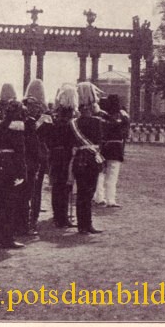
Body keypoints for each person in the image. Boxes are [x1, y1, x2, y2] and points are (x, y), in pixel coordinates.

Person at [0, 101, 27, 248]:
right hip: (12, 165)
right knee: (11, 203)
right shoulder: (17, 126)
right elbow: (20, 150)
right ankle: (7, 237)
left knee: (2, 202)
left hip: (1, 165)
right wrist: (22, 170)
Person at [71, 82, 105, 234]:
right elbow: (100, 140)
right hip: (92, 159)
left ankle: (82, 226)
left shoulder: (73, 122)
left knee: (82, 194)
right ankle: (87, 224)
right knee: (89, 193)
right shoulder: (97, 121)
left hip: (79, 159)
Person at [23, 79, 52, 235]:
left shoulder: (40, 120)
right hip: (33, 157)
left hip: (32, 158)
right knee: (32, 190)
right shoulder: (44, 118)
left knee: (31, 191)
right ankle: (29, 221)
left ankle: (29, 220)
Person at [47, 85, 77, 228]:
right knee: (64, 186)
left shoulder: (54, 120)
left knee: (58, 186)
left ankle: (58, 215)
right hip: (65, 155)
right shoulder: (68, 123)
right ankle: (62, 217)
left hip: (55, 156)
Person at [97, 95, 130, 207]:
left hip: (104, 146)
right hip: (116, 146)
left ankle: (98, 197)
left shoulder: (103, 116)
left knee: (101, 173)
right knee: (112, 175)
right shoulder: (122, 115)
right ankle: (110, 199)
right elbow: (126, 125)